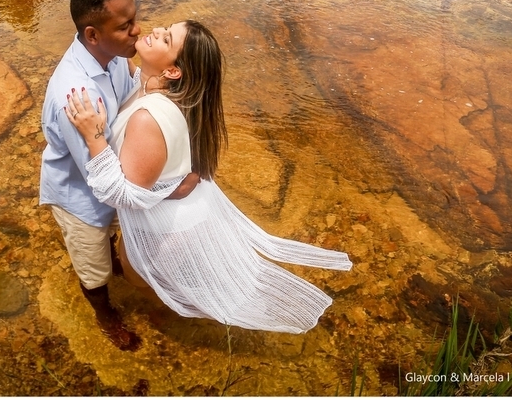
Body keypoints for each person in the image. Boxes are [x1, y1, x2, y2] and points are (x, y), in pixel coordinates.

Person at [64, 21, 352, 333]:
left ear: (174, 71)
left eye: (167, 38)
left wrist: (95, 138)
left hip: (166, 231)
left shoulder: (148, 117)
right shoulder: (163, 90)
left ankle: (169, 319)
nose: (157, 30)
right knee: (155, 279)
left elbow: (123, 195)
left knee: (145, 283)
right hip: (178, 219)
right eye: (165, 28)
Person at [39, 0, 198, 352]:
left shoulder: (110, 56)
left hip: (114, 174)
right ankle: (104, 314)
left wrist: (151, 85)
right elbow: (100, 182)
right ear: (92, 34)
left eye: (134, 18)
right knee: (93, 268)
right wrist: (167, 191)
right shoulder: (76, 98)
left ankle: (115, 258)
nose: (137, 30)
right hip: (82, 198)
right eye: (125, 26)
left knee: (114, 246)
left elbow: (127, 99)